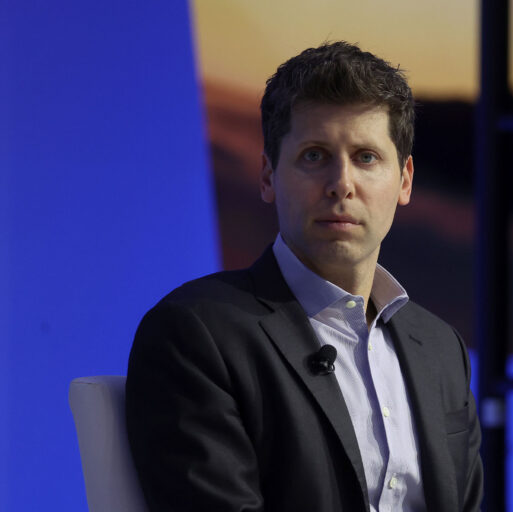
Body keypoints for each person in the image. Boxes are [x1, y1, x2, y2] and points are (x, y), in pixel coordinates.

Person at [126, 41, 482, 512]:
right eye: (315, 156)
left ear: (405, 181)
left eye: (367, 157)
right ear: (269, 177)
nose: (342, 183)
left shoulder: (441, 348)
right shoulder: (195, 334)